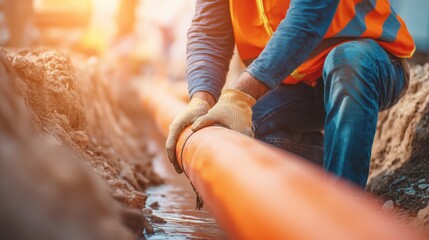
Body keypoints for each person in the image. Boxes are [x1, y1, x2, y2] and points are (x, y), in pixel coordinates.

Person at [166, 0, 415, 188]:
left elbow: (307, 19)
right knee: (242, 135)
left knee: (346, 62)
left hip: (370, 63)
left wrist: (239, 96)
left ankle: (343, 206)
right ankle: (332, 165)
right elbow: (209, 33)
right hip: (299, 80)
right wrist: (201, 99)